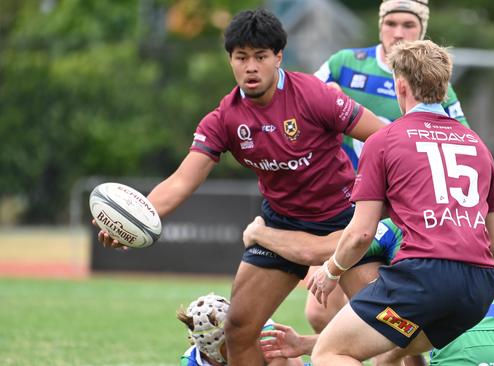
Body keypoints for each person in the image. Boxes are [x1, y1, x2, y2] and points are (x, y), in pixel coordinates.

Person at [96, 8, 386, 366]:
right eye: (241, 57)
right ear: (230, 60)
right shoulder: (225, 118)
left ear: (278, 57)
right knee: (239, 329)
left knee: (385, 326)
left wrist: (382, 198)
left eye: (261, 57)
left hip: (342, 220)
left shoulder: (313, 95)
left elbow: (384, 137)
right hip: (282, 223)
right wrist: (131, 220)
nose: (251, 67)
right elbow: (182, 180)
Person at [306, 40, 494, 366]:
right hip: (478, 290)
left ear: (400, 85)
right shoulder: (477, 145)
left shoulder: (384, 139)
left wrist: (330, 270)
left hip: (424, 279)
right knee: (387, 353)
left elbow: (360, 234)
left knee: (330, 353)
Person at [244, 218, 494, 365]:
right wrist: (304, 344)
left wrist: (260, 233)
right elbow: (393, 339)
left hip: (463, 352)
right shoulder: (460, 229)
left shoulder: (394, 226)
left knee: (339, 354)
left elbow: (322, 250)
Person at [314, 0, 469, 170]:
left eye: (408, 25)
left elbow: (464, 143)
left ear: (422, 30)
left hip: (396, 188)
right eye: (390, 23)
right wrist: (327, 99)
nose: (398, 33)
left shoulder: (433, 80)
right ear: (381, 26)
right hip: (340, 185)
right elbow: (302, 102)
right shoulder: (344, 62)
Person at [176, 292, 304, 366]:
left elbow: (291, 362)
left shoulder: (261, 328)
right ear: (210, 349)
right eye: (230, 342)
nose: (240, 343)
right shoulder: (192, 361)